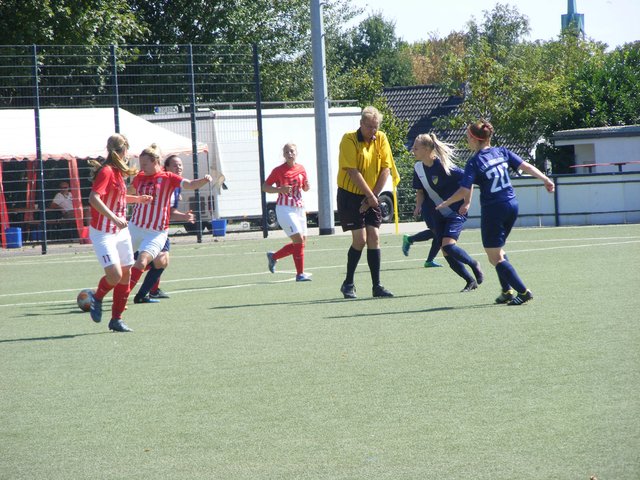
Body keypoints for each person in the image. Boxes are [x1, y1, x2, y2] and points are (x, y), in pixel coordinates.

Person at [436, 119, 555, 305]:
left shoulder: (474, 162)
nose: (467, 140)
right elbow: (525, 166)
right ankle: (507, 291)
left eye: (468, 137)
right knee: (498, 251)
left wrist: (446, 202)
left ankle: (523, 292)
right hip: (511, 204)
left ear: (474, 139)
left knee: (494, 256)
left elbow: (464, 190)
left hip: (494, 210)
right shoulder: (502, 152)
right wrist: (545, 179)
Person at [127, 144, 212, 303]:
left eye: (144, 164)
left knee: (153, 261)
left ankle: (139, 294)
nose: (141, 167)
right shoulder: (140, 177)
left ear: (155, 161)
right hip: (136, 227)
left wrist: (204, 180)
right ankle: (115, 292)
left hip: (156, 231)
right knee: (125, 264)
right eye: (175, 165)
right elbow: (128, 192)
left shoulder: (169, 179)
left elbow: (190, 184)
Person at [87, 134, 152, 332]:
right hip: (103, 233)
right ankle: (96, 297)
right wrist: (114, 217)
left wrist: (138, 199)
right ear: (123, 150)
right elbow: (93, 198)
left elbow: (119, 198)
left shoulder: (118, 172)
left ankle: (116, 319)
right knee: (114, 275)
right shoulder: (106, 171)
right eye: (127, 150)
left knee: (126, 273)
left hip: (120, 232)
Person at [336, 105, 399, 299]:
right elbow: (352, 171)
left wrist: (373, 196)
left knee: (374, 237)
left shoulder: (381, 138)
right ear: (361, 124)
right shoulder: (349, 139)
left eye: (376, 126)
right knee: (360, 239)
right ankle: (348, 283)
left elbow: (386, 169)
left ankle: (377, 286)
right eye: (370, 126)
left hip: (373, 194)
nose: (373, 130)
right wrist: (369, 197)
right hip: (350, 195)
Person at [410, 133, 483, 292]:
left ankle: (474, 264)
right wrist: (418, 206)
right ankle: (470, 281)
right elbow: (420, 191)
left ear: (427, 149)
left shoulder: (444, 166)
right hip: (437, 214)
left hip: (455, 211)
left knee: (448, 246)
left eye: (415, 148)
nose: (412, 150)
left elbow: (468, 180)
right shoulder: (418, 168)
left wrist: (467, 202)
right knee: (446, 252)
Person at [132, 154, 195, 303]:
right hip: (149, 228)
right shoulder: (161, 181)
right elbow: (166, 211)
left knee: (161, 260)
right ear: (165, 167)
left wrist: (184, 216)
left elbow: (169, 211)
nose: (178, 167)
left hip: (159, 227)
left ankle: (150, 290)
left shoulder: (176, 185)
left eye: (180, 165)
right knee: (156, 260)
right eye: (175, 165)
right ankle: (143, 289)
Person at [262, 143, 312, 282]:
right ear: (283, 155)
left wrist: (307, 187)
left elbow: (304, 187)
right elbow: (265, 187)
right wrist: (279, 190)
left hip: (299, 208)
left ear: (296, 153)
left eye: (292, 151)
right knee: (298, 240)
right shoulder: (278, 170)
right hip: (285, 208)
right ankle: (300, 274)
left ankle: (274, 257)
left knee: (302, 243)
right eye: (287, 152)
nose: (290, 154)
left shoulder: (301, 168)